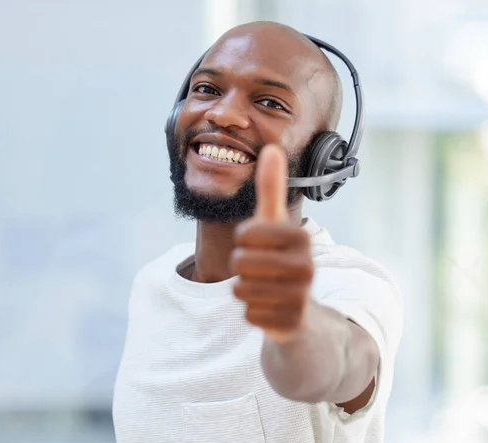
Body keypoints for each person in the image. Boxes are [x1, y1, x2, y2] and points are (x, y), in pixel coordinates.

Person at [112, 21, 403, 443]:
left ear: (324, 160)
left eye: (270, 102)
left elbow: (340, 360)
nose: (222, 114)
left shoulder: (348, 285)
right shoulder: (151, 285)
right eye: (208, 90)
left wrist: (297, 326)